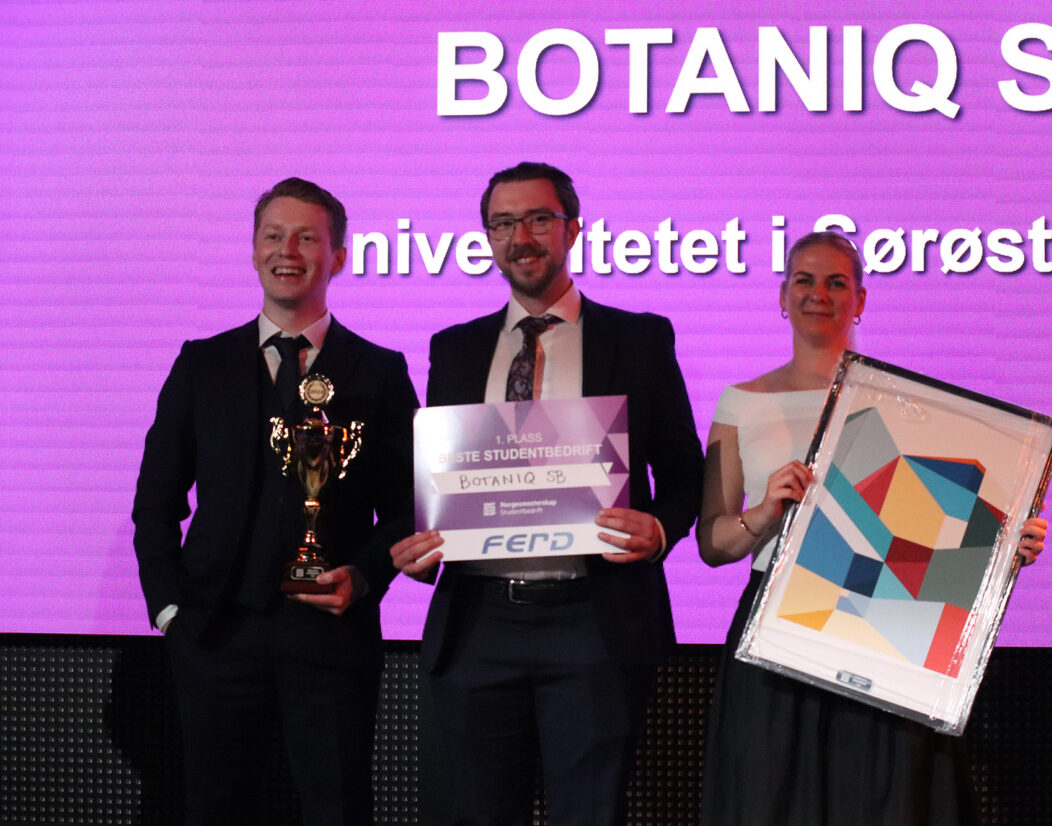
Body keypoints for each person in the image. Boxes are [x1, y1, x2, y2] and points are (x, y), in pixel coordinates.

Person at [696, 230, 1048, 826]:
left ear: (861, 299)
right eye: (804, 280)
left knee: (885, 802)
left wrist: (1006, 544)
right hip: (777, 628)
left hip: (887, 626)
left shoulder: (915, 408)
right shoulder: (741, 403)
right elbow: (713, 543)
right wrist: (766, 513)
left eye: (837, 283)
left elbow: (946, 525)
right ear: (782, 296)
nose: (819, 294)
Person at [389, 161, 704, 826]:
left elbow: (685, 473)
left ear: (573, 229)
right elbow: (444, 480)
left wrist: (659, 530)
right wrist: (420, 542)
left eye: (538, 219)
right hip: (478, 620)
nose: (520, 237)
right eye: (502, 224)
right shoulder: (454, 348)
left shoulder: (639, 338)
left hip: (593, 618)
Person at [132, 177, 416, 826]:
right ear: (254, 249)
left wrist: (365, 575)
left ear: (337, 257)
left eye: (306, 237)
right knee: (215, 810)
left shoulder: (380, 370)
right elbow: (156, 500)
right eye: (273, 235)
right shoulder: (201, 364)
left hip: (333, 636)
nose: (287, 250)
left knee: (337, 810)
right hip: (214, 632)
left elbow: (410, 506)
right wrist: (170, 609)